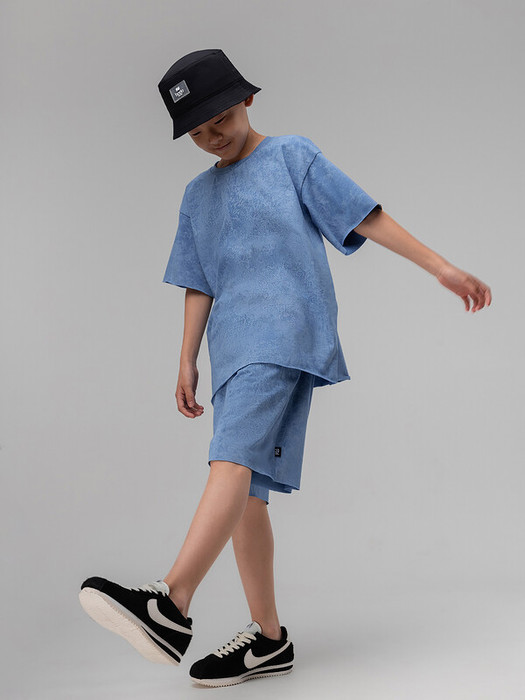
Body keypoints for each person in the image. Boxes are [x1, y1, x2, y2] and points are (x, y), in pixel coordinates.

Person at [78, 49, 492, 688]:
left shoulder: (292, 156)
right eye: (198, 131)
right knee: (245, 491)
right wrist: (186, 359)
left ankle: (171, 604)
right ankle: (269, 640)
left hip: (284, 332)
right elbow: (197, 280)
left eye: (220, 118)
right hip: (231, 349)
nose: (213, 135)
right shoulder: (197, 195)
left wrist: (441, 267)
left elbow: (363, 214)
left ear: (247, 99)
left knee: (230, 461)